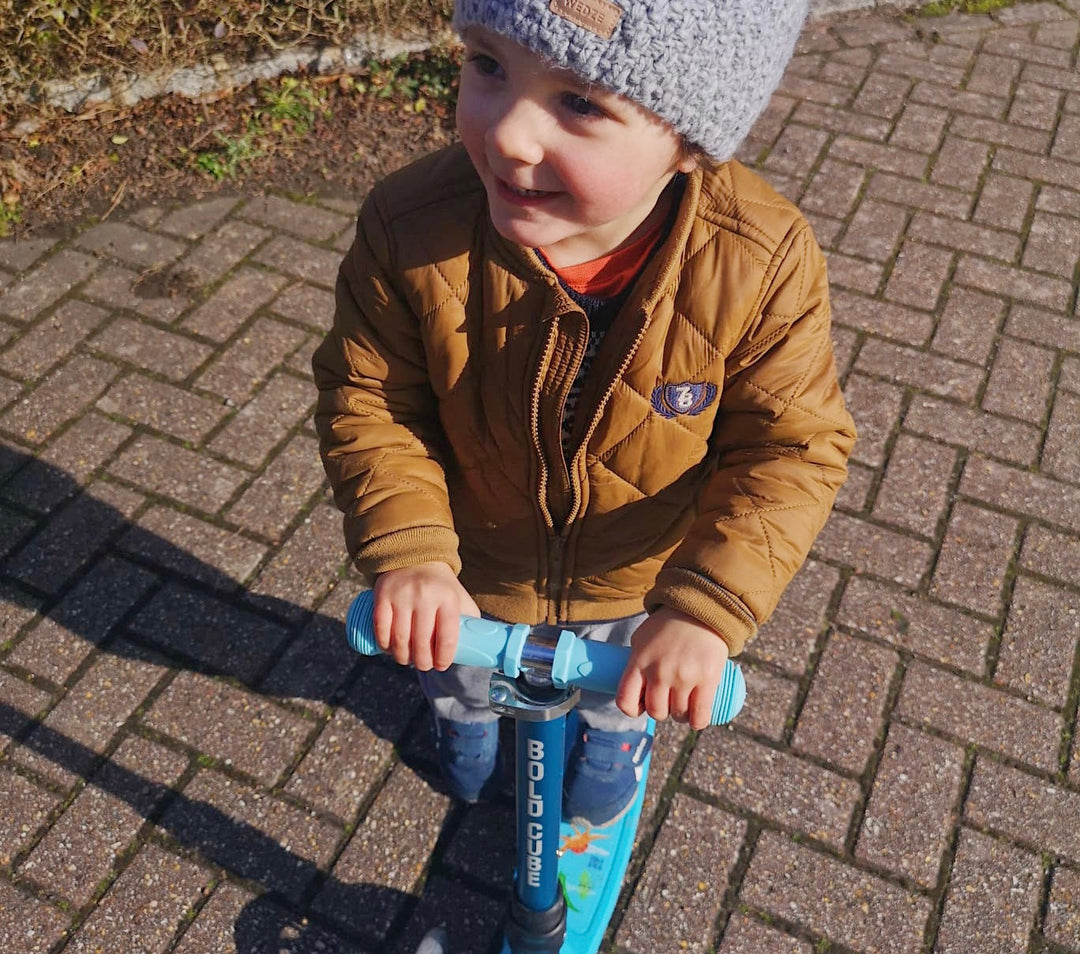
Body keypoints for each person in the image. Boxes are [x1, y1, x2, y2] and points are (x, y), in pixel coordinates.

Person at [313, 0, 856, 828]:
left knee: (621, 689)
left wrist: (705, 606)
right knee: (455, 672)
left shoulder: (761, 259)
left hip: (637, 578)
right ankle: (464, 719)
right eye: (489, 64)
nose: (508, 136)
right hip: (474, 568)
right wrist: (412, 549)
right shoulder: (409, 226)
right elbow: (373, 396)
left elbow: (791, 446)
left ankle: (613, 737)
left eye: (581, 103)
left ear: (686, 139)